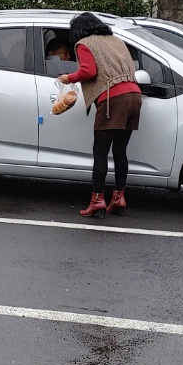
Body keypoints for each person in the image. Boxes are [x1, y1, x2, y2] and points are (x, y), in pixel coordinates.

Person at [56, 12, 141, 218]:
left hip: (113, 99)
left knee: (100, 152)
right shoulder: (116, 40)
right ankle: (119, 198)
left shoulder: (84, 44)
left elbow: (88, 71)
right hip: (134, 96)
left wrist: (68, 78)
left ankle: (97, 200)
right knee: (120, 151)